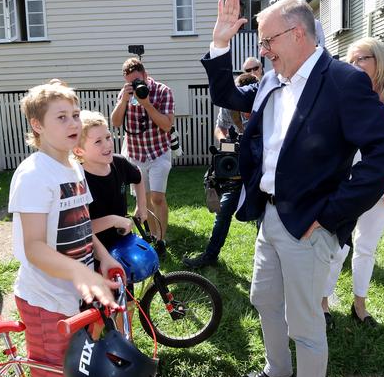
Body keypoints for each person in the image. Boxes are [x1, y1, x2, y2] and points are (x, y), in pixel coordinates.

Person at [201, 0, 384, 377]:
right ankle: (279, 371)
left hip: (311, 225)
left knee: (306, 323)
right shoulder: (275, 79)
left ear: (297, 34)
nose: (262, 49)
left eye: (267, 40)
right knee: (264, 300)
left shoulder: (341, 81)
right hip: (269, 217)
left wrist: (334, 212)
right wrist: (220, 44)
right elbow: (224, 93)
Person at [8, 81, 121, 377]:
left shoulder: (73, 168)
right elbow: (35, 249)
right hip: (45, 299)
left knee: (72, 369)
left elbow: (83, 224)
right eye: (62, 117)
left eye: (75, 115)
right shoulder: (33, 175)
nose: (73, 123)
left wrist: (102, 256)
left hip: (74, 294)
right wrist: (80, 272)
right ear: (37, 126)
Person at [322, 37, 384, 329]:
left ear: (379, 61)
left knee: (367, 247)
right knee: (337, 247)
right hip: (347, 185)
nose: (355, 65)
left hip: (382, 187)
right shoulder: (343, 95)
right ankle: (323, 302)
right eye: (351, 60)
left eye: (362, 58)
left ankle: (359, 305)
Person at [182, 72, 259, 269]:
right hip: (236, 168)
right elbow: (219, 128)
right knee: (223, 211)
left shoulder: (265, 105)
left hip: (260, 169)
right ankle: (211, 254)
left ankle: (265, 259)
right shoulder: (230, 106)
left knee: (262, 214)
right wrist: (225, 142)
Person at [110, 58, 175, 251]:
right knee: (144, 200)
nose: (135, 85)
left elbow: (166, 125)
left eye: (138, 80)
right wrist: (124, 100)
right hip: (136, 155)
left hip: (158, 152)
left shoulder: (163, 91)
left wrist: (146, 103)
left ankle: (162, 238)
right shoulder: (125, 94)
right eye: (131, 82)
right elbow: (115, 122)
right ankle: (154, 237)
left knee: (157, 198)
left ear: (146, 75)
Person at [73, 110, 148, 247]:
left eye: (107, 137)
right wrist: (112, 220)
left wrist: (141, 206)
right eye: (98, 142)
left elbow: (138, 176)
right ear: (79, 150)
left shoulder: (119, 163)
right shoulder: (77, 180)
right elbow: (80, 229)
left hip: (124, 239)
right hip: (94, 250)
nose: (107, 144)